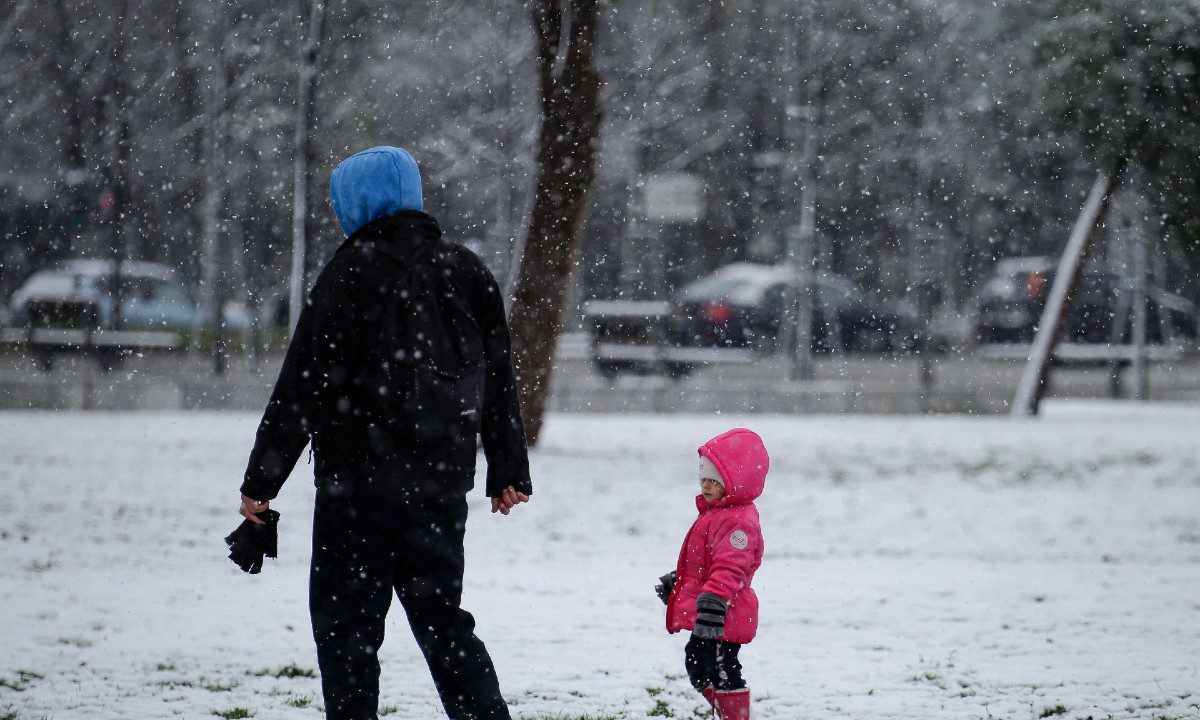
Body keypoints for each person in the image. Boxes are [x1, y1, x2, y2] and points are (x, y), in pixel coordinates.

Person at [237, 145, 532, 720]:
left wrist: (262, 479)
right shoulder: (467, 271)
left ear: (359, 202)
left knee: (347, 630)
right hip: (441, 487)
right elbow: (498, 375)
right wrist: (507, 467)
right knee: (444, 622)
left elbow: (303, 384)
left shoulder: (350, 272)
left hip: (358, 490)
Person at [655, 428, 767, 720]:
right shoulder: (716, 514)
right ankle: (727, 711)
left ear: (733, 483)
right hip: (713, 611)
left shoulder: (738, 522)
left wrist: (713, 602)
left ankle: (736, 714)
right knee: (699, 664)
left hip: (725, 612)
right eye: (703, 478)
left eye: (714, 480)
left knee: (721, 670)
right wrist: (681, 585)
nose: (705, 485)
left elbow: (730, 569)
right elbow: (704, 563)